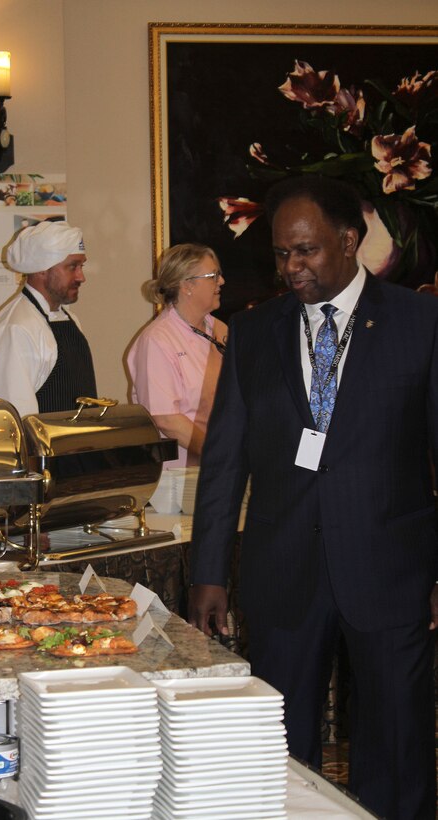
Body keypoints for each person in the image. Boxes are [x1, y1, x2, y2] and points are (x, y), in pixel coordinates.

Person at [188, 175, 437, 820]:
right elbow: (224, 463)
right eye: (280, 254)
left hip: (391, 570)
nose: (291, 268)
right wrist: (209, 572)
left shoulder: (421, 322)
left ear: (349, 241)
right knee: (280, 749)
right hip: (284, 570)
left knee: (396, 745)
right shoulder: (253, 331)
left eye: (307, 251)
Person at [0, 221, 97, 417]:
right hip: (44, 447)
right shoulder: (15, 329)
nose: (81, 276)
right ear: (42, 269)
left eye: (81, 265)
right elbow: (15, 420)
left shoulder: (70, 319)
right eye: (72, 267)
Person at [127, 243, 227, 467]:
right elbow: (166, 418)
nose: (221, 282)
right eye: (214, 275)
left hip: (223, 465)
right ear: (187, 285)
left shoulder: (221, 330)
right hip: (181, 475)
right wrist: (218, 452)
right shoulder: (158, 340)